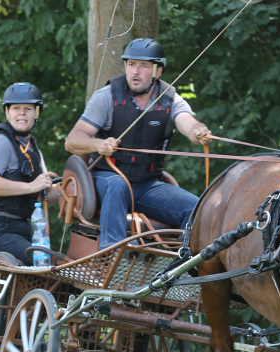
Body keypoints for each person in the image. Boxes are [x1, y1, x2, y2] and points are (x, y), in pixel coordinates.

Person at [64, 38, 211, 249]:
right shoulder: (106, 97)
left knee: (197, 208)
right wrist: (98, 145)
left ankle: (184, 268)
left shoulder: (171, 100)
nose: (135, 71)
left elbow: (188, 123)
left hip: (146, 186)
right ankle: (111, 258)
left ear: (157, 71)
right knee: (117, 185)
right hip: (105, 180)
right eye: (131, 64)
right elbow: (72, 141)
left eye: (143, 66)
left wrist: (198, 131)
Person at [0, 82, 60, 264]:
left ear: (37, 113)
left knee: (59, 265)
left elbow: (42, 194)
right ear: (7, 112)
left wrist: (70, 189)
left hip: (19, 229)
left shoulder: (33, 150)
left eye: (28, 108)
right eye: (16, 108)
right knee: (43, 263)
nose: (22, 113)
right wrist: (31, 186)